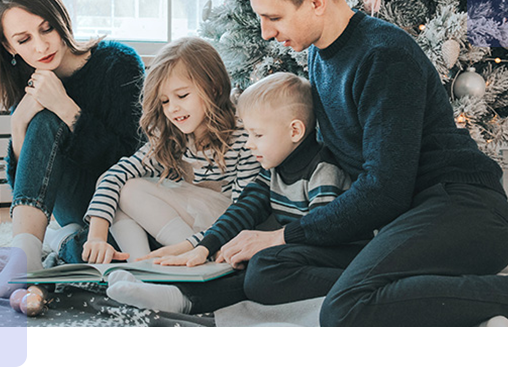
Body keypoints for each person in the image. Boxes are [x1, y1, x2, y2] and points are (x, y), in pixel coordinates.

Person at [239, 0, 508, 326]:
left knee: (344, 311)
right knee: (266, 271)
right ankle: (402, 288)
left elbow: (384, 190)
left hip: (463, 209)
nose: (266, 32)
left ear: (316, 2)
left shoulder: (384, 56)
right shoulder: (319, 58)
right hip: (400, 221)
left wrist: (283, 235)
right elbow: (297, 163)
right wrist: (209, 244)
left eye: (274, 17)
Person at [105, 72, 357, 314]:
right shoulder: (274, 169)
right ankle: (171, 293)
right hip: (299, 249)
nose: (249, 143)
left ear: (294, 131)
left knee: (260, 267)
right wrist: (205, 246)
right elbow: (243, 209)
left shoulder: (323, 171)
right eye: (247, 133)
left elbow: (319, 232)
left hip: (338, 255)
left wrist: (262, 249)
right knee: (243, 257)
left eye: (257, 135)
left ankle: (182, 300)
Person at [0, 0, 145, 299]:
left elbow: (132, 159)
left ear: (61, 20)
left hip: (123, 202)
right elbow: (26, 186)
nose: (40, 47)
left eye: (46, 29)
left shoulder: (118, 63)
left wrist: (67, 109)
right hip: (72, 204)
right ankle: (23, 259)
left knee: (110, 252)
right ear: (9, 47)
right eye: (24, 40)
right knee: (41, 118)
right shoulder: (31, 84)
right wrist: (19, 122)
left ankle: (61, 241)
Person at [81, 37, 261, 269]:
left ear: (214, 88)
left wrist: (194, 245)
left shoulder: (243, 138)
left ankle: (190, 261)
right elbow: (113, 176)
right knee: (121, 187)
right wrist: (96, 236)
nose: (172, 108)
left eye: (182, 96)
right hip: (186, 229)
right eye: (165, 101)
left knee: (129, 190)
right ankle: (140, 266)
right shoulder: (172, 137)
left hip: (224, 231)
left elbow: (243, 212)